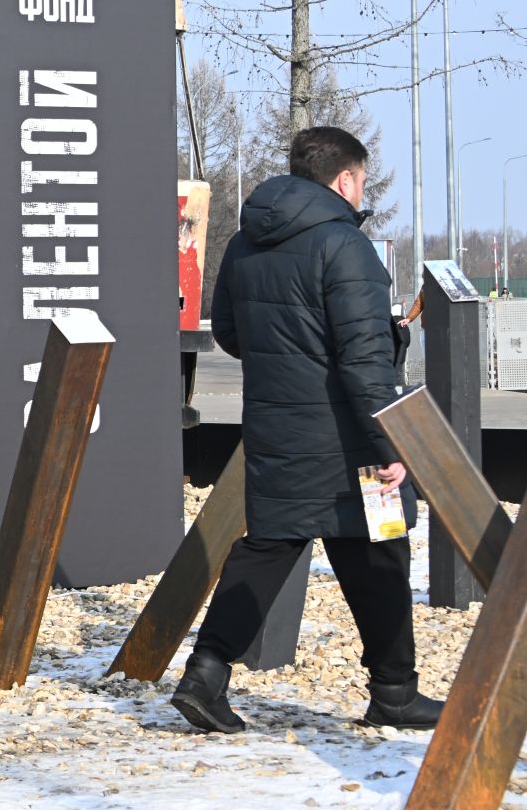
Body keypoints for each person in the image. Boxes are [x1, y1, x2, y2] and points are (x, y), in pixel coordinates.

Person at [172, 127, 443, 734]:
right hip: (351, 438)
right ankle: (394, 692)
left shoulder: (245, 244)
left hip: (277, 426)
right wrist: (392, 442)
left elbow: (233, 337)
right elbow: (364, 362)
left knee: (268, 547)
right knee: (381, 552)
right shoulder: (346, 246)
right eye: (363, 181)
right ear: (345, 180)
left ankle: (206, 675)